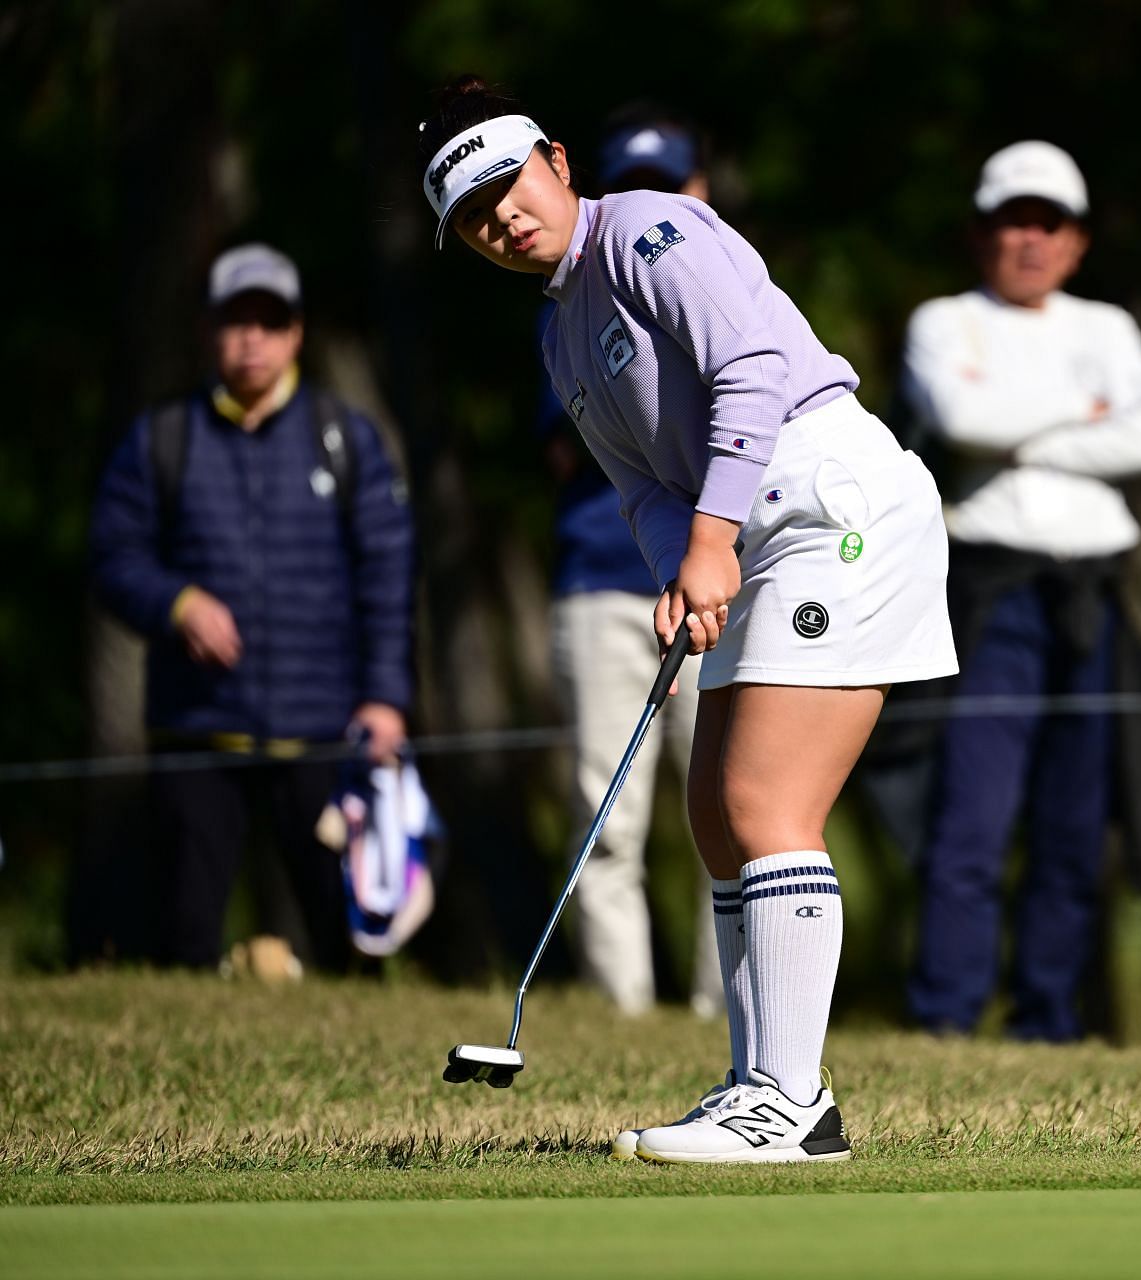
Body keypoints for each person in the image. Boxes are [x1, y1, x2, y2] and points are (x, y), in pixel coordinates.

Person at [417, 76, 955, 1163]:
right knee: (714, 816)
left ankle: (792, 1104)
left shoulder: (647, 231)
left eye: (509, 186)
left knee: (763, 800)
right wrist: (680, 565)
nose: (502, 219)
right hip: (753, 532)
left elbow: (753, 371)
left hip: (828, 502)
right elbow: (642, 490)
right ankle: (758, 1078)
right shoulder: (562, 335)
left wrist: (710, 540)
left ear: (558, 162)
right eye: (473, 216)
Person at [896, 141, 1141, 1042]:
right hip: (991, 593)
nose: (1030, 239)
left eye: (1047, 222)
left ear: (1077, 241)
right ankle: (946, 1015)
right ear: (981, 233)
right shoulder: (943, 322)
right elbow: (961, 420)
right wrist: (1083, 415)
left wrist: (1018, 434)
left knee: (1076, 820)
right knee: (973, 815)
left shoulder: (1109, 327)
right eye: (1013, 219)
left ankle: (1047, 1020)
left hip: (1094, 589)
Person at [89, 243, 414, 974]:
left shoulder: (344, 438)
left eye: (269, 321)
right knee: (183, 945)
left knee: (351, 954)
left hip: (327, 735)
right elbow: (113, 556)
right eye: (236, 321)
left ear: (296, 333)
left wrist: (386, 699)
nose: (252, 338)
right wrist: (176, 602)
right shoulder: (162, 439)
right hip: (198, 732)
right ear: (209, 331)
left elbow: (388, 577)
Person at [542, 106, 721, 1019]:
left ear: (698, 195)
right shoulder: (571, 314)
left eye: (666, 190)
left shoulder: (718, 285)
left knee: (729, 806)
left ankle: (725, 1011)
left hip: (724, 586)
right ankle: (625, 1015)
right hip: (607, 588)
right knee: (610, 820)